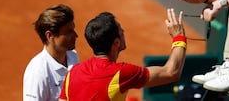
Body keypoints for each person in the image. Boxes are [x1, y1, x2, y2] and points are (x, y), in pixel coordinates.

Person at [58, 8, 186, 101]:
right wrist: (179, 37)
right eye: (121, 30)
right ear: (116, 43)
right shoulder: (121, 74)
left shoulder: (72, 73)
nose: (124, 31)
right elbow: (171, 72)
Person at [23, 4, 79, 101]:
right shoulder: (38, 72)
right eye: (69, 32)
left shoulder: (73, 56)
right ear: (49, 36)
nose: (75, 35)